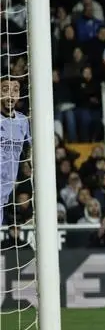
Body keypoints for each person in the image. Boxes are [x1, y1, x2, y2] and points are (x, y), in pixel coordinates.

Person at [0, 79, 31, 227]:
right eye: (5, 90)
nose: (10, 95)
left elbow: (30, 147)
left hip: (7, 189)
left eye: (15, 90)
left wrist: (28, 162)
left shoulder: (23, 121)